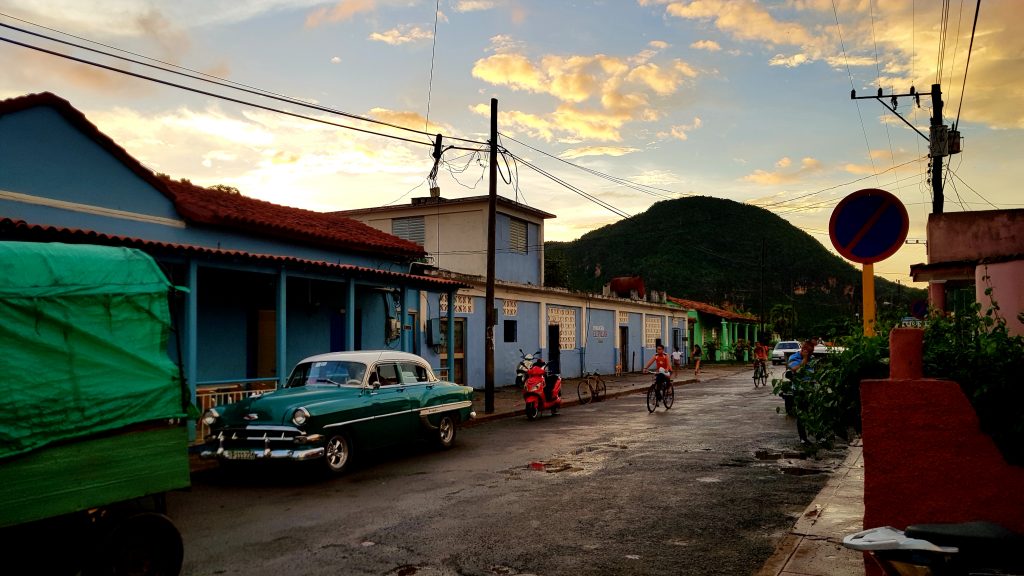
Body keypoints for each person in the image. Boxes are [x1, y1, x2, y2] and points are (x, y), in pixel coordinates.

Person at [786, 338, 818, 444]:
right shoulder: (794, 357)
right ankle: (803, 438)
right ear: (803, 350)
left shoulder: (812, 358)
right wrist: (804, 359)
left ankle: (819, 436)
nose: (810, 354)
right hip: (799, 389)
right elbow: (797, 370)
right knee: (802, 414)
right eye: (808, 352)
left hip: (811, 388)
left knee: (814, 412)